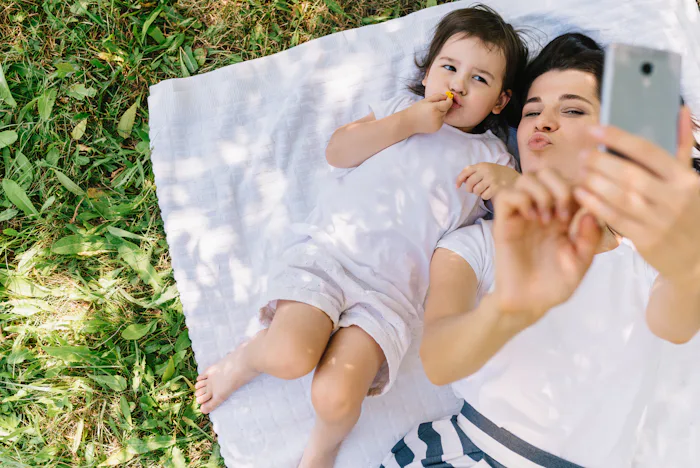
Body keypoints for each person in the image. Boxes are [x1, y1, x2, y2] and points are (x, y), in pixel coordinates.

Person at [194, 6, 529, 467]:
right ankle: (247, 359)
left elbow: (517, 231)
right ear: (429, 70)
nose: (459, 85)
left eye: (480, 79)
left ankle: (323, 447)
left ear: (499, 101)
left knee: (336, 394)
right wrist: (407, 123)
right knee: (291, 353)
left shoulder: (492, 156)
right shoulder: (397, 111)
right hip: (331, 256)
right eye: (449, 68)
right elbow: (338, 152)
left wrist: (508, 184)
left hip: (391, 297)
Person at [381, 33, 700, 468]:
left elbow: (675, 326)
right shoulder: (476, 244)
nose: (543, 121)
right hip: (477, 453)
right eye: (532, 111)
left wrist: (687, 270)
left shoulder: (639, 249)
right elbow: (438, 362)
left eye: (572, 110)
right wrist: (511, 308)